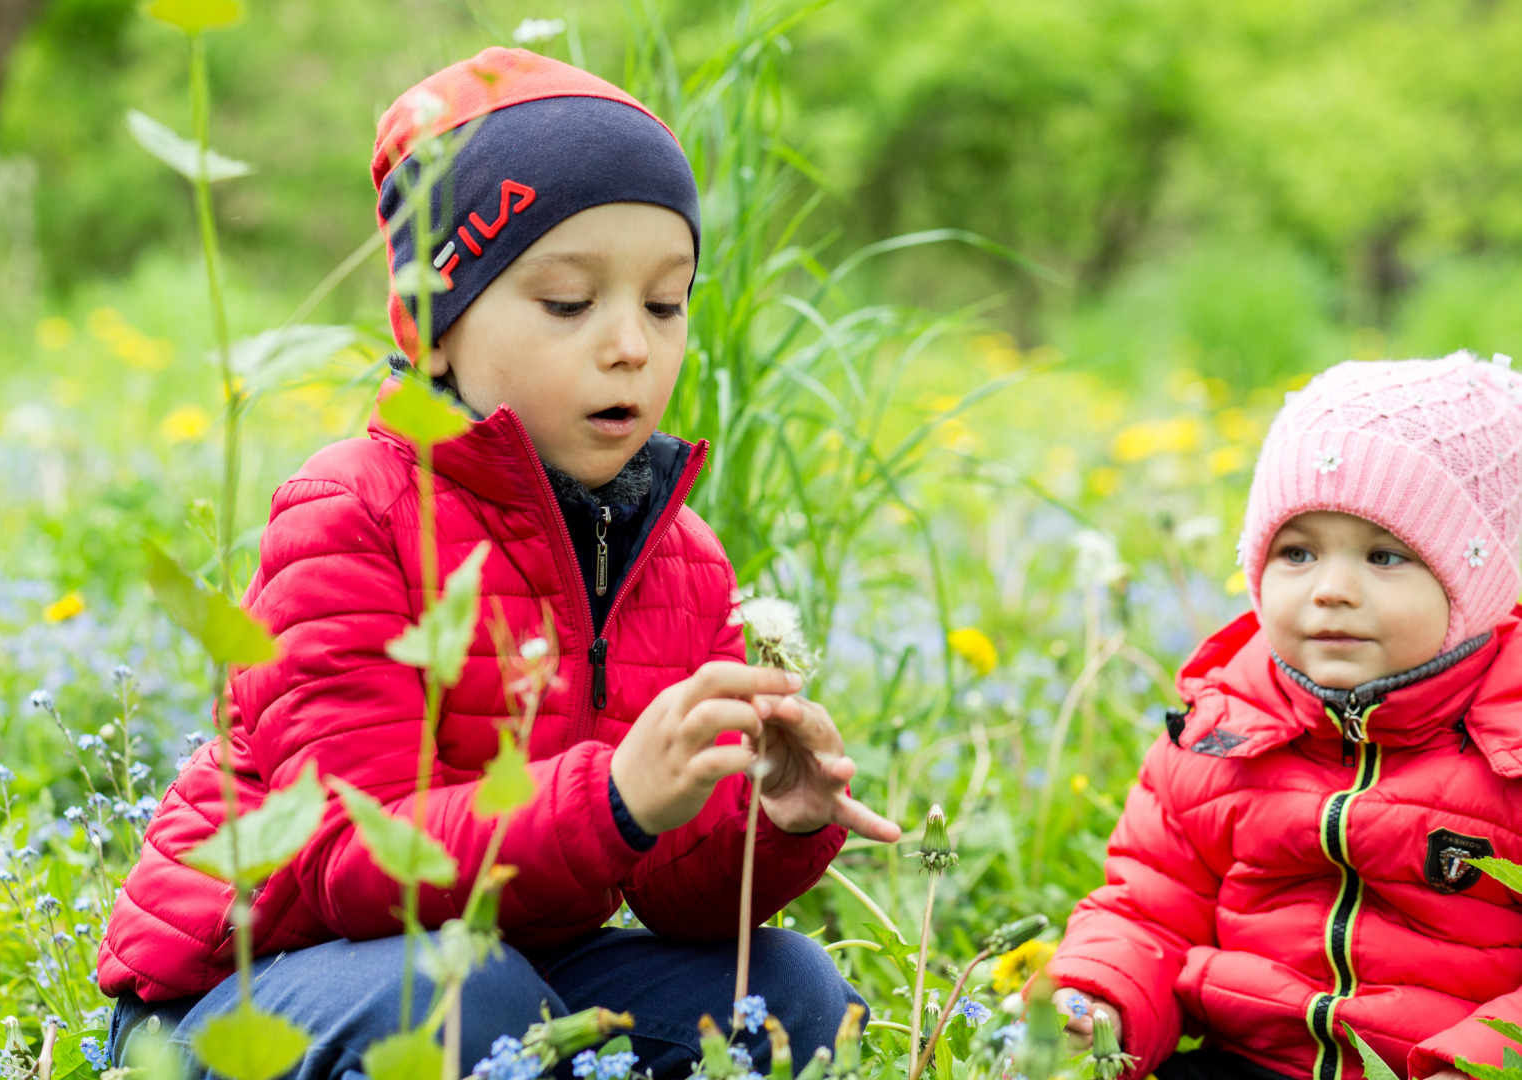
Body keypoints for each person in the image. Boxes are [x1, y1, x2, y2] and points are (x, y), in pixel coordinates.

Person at [98, 47, 901, 1079]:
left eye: (664, 304)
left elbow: (671, 894)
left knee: (788, 991)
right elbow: (349, 859)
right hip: (248, 992)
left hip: (510, 963)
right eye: (568, 302)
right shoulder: (353, 514)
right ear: (430, 327)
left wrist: (767, 825)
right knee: (463, 993)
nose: (629, 347)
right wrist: (610, 795)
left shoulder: (679, 557)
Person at [1045, 352, 1522, 1080]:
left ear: (1478, 582)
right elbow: (1147, 908)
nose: (1330, 589)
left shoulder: (1507, 748)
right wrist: (1099, 998)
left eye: (1384, 557)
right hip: (1246, 1061)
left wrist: (1486, 1064)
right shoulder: (1218, 733)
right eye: (1296, 552)